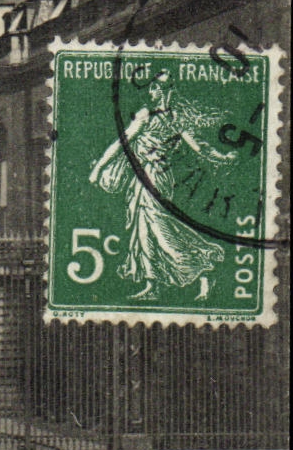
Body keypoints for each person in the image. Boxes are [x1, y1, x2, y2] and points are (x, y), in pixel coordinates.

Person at [88, 70, 237, 300]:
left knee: (159, 227)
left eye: (155, 88)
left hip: (156, 178)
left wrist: (222, 158)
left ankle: (203, 269)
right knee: (144, 228)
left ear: (165, 91)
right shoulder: (159, 117)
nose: (151, 91)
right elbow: (123, 142)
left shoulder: (160, 117)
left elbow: (198, 147)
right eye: (151, 88)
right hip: (147, 177)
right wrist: (98, 167)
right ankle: (153, 284)